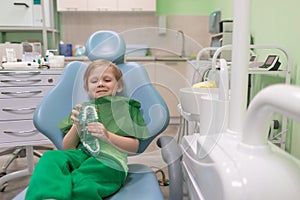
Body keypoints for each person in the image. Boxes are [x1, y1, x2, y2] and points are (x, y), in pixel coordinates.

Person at [25, 59, 150, 200]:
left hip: (109, 161)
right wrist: (77, 126)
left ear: (119, 86)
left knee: (83, 182)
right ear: (86, 88)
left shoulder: (126, 108)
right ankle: (48, 197)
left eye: (107, 80)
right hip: (80, 156)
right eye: (94, 81)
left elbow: (134, 147)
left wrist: (107, 136)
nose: (100, 84)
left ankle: (60, 193)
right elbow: (68, 148)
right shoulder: (81, 109)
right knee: (50, 157)